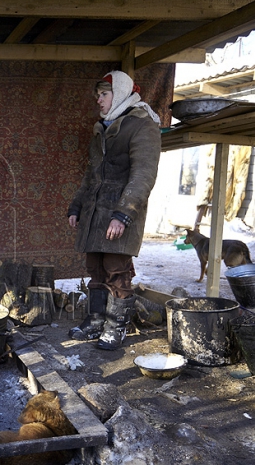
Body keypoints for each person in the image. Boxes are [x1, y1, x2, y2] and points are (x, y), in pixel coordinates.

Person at [67, 70, 161, 350]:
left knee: (116, 270)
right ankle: (96, 321)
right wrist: (76, 206)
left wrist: (123, 214)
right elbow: (91, 175)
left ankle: (116, 326)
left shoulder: (142, 125)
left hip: (120, 211)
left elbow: (144, 175)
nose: (99, 100)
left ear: (119, 93)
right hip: (96, 211)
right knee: (95, 268)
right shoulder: (103, 127)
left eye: (104, 94)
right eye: (98, 95)